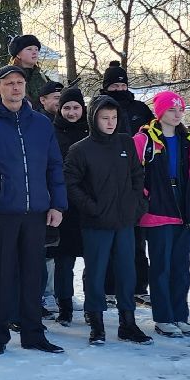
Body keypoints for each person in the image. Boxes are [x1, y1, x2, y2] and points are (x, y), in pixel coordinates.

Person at [0, 64, 67, 356]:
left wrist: (58, 204)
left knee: (33, 275)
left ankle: (33, 334)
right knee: (1, 275)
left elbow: (54, 166)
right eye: (8, 83)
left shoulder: (41, 124)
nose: (15, 87)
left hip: (36, 212)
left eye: (19, 82)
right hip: (1, 214)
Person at [64, 96, 152, 345]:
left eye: (114, 118)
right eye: (105, 118)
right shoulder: (80, 149)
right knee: (96, 273)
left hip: (124, 222)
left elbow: (138, 175)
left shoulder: (125, 142)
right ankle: (97, 324)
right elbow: (71, 184)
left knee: (127, 272)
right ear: (94, 118)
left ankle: (128, 323)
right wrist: (92, 208)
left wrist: (137, 205)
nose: (110, 122)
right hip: (96, 223)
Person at [134, 91, 190, 338]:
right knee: (161, 267)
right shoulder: (144, 140)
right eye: (171, 110)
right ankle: (164, 317)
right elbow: (133, 175)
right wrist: (145, 196)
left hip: (185, 211)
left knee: (181, 268)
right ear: (159, 112)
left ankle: (181, 316)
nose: (177, 115)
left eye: (180, 110)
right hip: (157, 211)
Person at [100, 61, 153, 300]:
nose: (120, 89)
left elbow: (155, 135)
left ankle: (140, 287)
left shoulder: (140, 109)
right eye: (114, 85)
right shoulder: (99, 108)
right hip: (108, 179)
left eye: (122, 84)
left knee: (136, 239)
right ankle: (109, 288)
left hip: (136, 178)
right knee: (109, 240)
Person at [49, 88, 89, 326]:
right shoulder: (52, 132)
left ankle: (91, 305)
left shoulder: (91, 131)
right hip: (63, 206)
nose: (71, 112)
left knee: (92, 260)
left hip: (89, 204)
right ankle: (64, 305)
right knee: (64, 260)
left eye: (75, 107)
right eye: (66, 108)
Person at [0, 34, 50, 108]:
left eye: (36, 49)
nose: (34, 52)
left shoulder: (43, 79)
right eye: (29, 49)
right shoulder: (6, 77)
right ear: (18, 55)